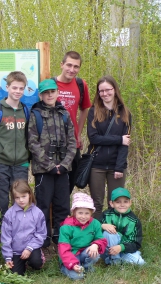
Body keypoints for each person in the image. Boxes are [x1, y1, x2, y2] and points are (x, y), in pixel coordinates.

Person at [28, 79, 77, 248]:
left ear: (57, 93)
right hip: (43, 170)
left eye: (52, 91)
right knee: (42, 205)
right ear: (41, 95)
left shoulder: (64, 114)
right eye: (46, 93)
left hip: (63, 168)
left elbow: (72, 141)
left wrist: (64, 164)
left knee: (62, 204)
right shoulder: (35, 115)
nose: (49, 95)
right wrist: (49, 166)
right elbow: (32, 143)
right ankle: (43, 239)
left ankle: (61, 237)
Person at [0, 71, 30, 223]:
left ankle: (21, 235)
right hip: (1, 164)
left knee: (21, 201)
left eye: (21, 88)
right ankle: (0, 237)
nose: (18, 91)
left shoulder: (25, 111)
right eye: (14, 88)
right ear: (7, 87)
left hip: (21, 165)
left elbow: (28, 136)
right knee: (1, 202)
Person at [87, 75, 132, 219]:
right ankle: (97, 236)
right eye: (101, 91)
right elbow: (94, 138)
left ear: (115, 90)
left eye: (108, 90)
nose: (105, 94)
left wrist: (119, 167)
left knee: (116, 203)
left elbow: (126, 143)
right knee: (97, 203)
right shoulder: (93, 111)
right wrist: (118, 139)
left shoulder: (125, 112)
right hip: (96, 165)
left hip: (116, 166)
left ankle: (114, 235)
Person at [53, 51, 92, 193]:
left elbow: (85, 108)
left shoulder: (81, 85)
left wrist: (79, 133)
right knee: (53, 180)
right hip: (53, 141)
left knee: (71, 177)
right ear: (62, 65)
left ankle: (64, 211)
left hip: (72, 141)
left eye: (76, 66)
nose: (72, 69)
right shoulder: (51, 84)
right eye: (69, 65)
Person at [0, 180, 46, 276]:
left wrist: (29, 248)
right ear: (13, 198)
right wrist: (8, 257)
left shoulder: (37, 213)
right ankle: (21, 263)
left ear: (29, 194)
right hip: (16, 251)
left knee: (37, 263)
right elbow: (6, 237)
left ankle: (36, 258)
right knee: (15, 273)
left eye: (23, 196)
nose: (21, 200)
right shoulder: (9, 214)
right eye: (17, 197)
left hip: (31, 248)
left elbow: (41, 233)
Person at [58, 193, 107, 280]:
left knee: (95, 253)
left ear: (91, 213)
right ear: (74, 212)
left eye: (87, 213)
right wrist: (72, 264)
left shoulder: (95, 223)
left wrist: (95, 244)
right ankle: (66, 267)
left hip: (85, 252)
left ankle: (86, 266)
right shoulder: (66, 227)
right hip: (71, 254)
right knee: (77, 277)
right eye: (80, 213)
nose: (83, 217)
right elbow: (63, 249)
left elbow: (101, 239)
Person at [100, 187, 145, 265]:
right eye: (118, 202)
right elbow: (92, 228)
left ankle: (119, 258)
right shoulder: (106, 214)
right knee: (110, 233)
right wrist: (102, 225)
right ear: (111, 203)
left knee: (140, 263)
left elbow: (136, 243)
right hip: (108, 249)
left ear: (130, 202)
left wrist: (121, 247)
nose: (122, 204)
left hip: (124, 249)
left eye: (125, 201)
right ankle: (114, 260)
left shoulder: (134, 220)